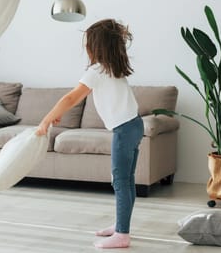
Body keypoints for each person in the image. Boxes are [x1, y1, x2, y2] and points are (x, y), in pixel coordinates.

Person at [36, 19, 143, 249]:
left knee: (120, 181)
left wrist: (47, 118)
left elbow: (71, 98)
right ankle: (121, 225)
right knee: (128, 180)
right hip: (135, 125)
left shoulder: (97, 70)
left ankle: (122, 234)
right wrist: (59, 114)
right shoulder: (114, 69)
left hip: (124, 130)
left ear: (95, 47)